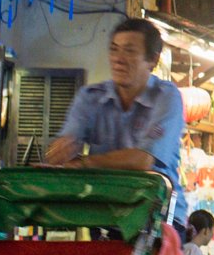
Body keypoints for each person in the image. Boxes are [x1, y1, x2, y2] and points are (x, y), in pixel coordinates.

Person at [45, 17, 188, 221]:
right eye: (114, 49)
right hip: (108, 213)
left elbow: (142, 160)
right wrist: (61, 150)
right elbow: (65, 144)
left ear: (153, 61)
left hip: (160, 217)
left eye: (129, 51)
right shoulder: (90, 97)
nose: (118, 58)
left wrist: (84, 163)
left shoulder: (167, 97)